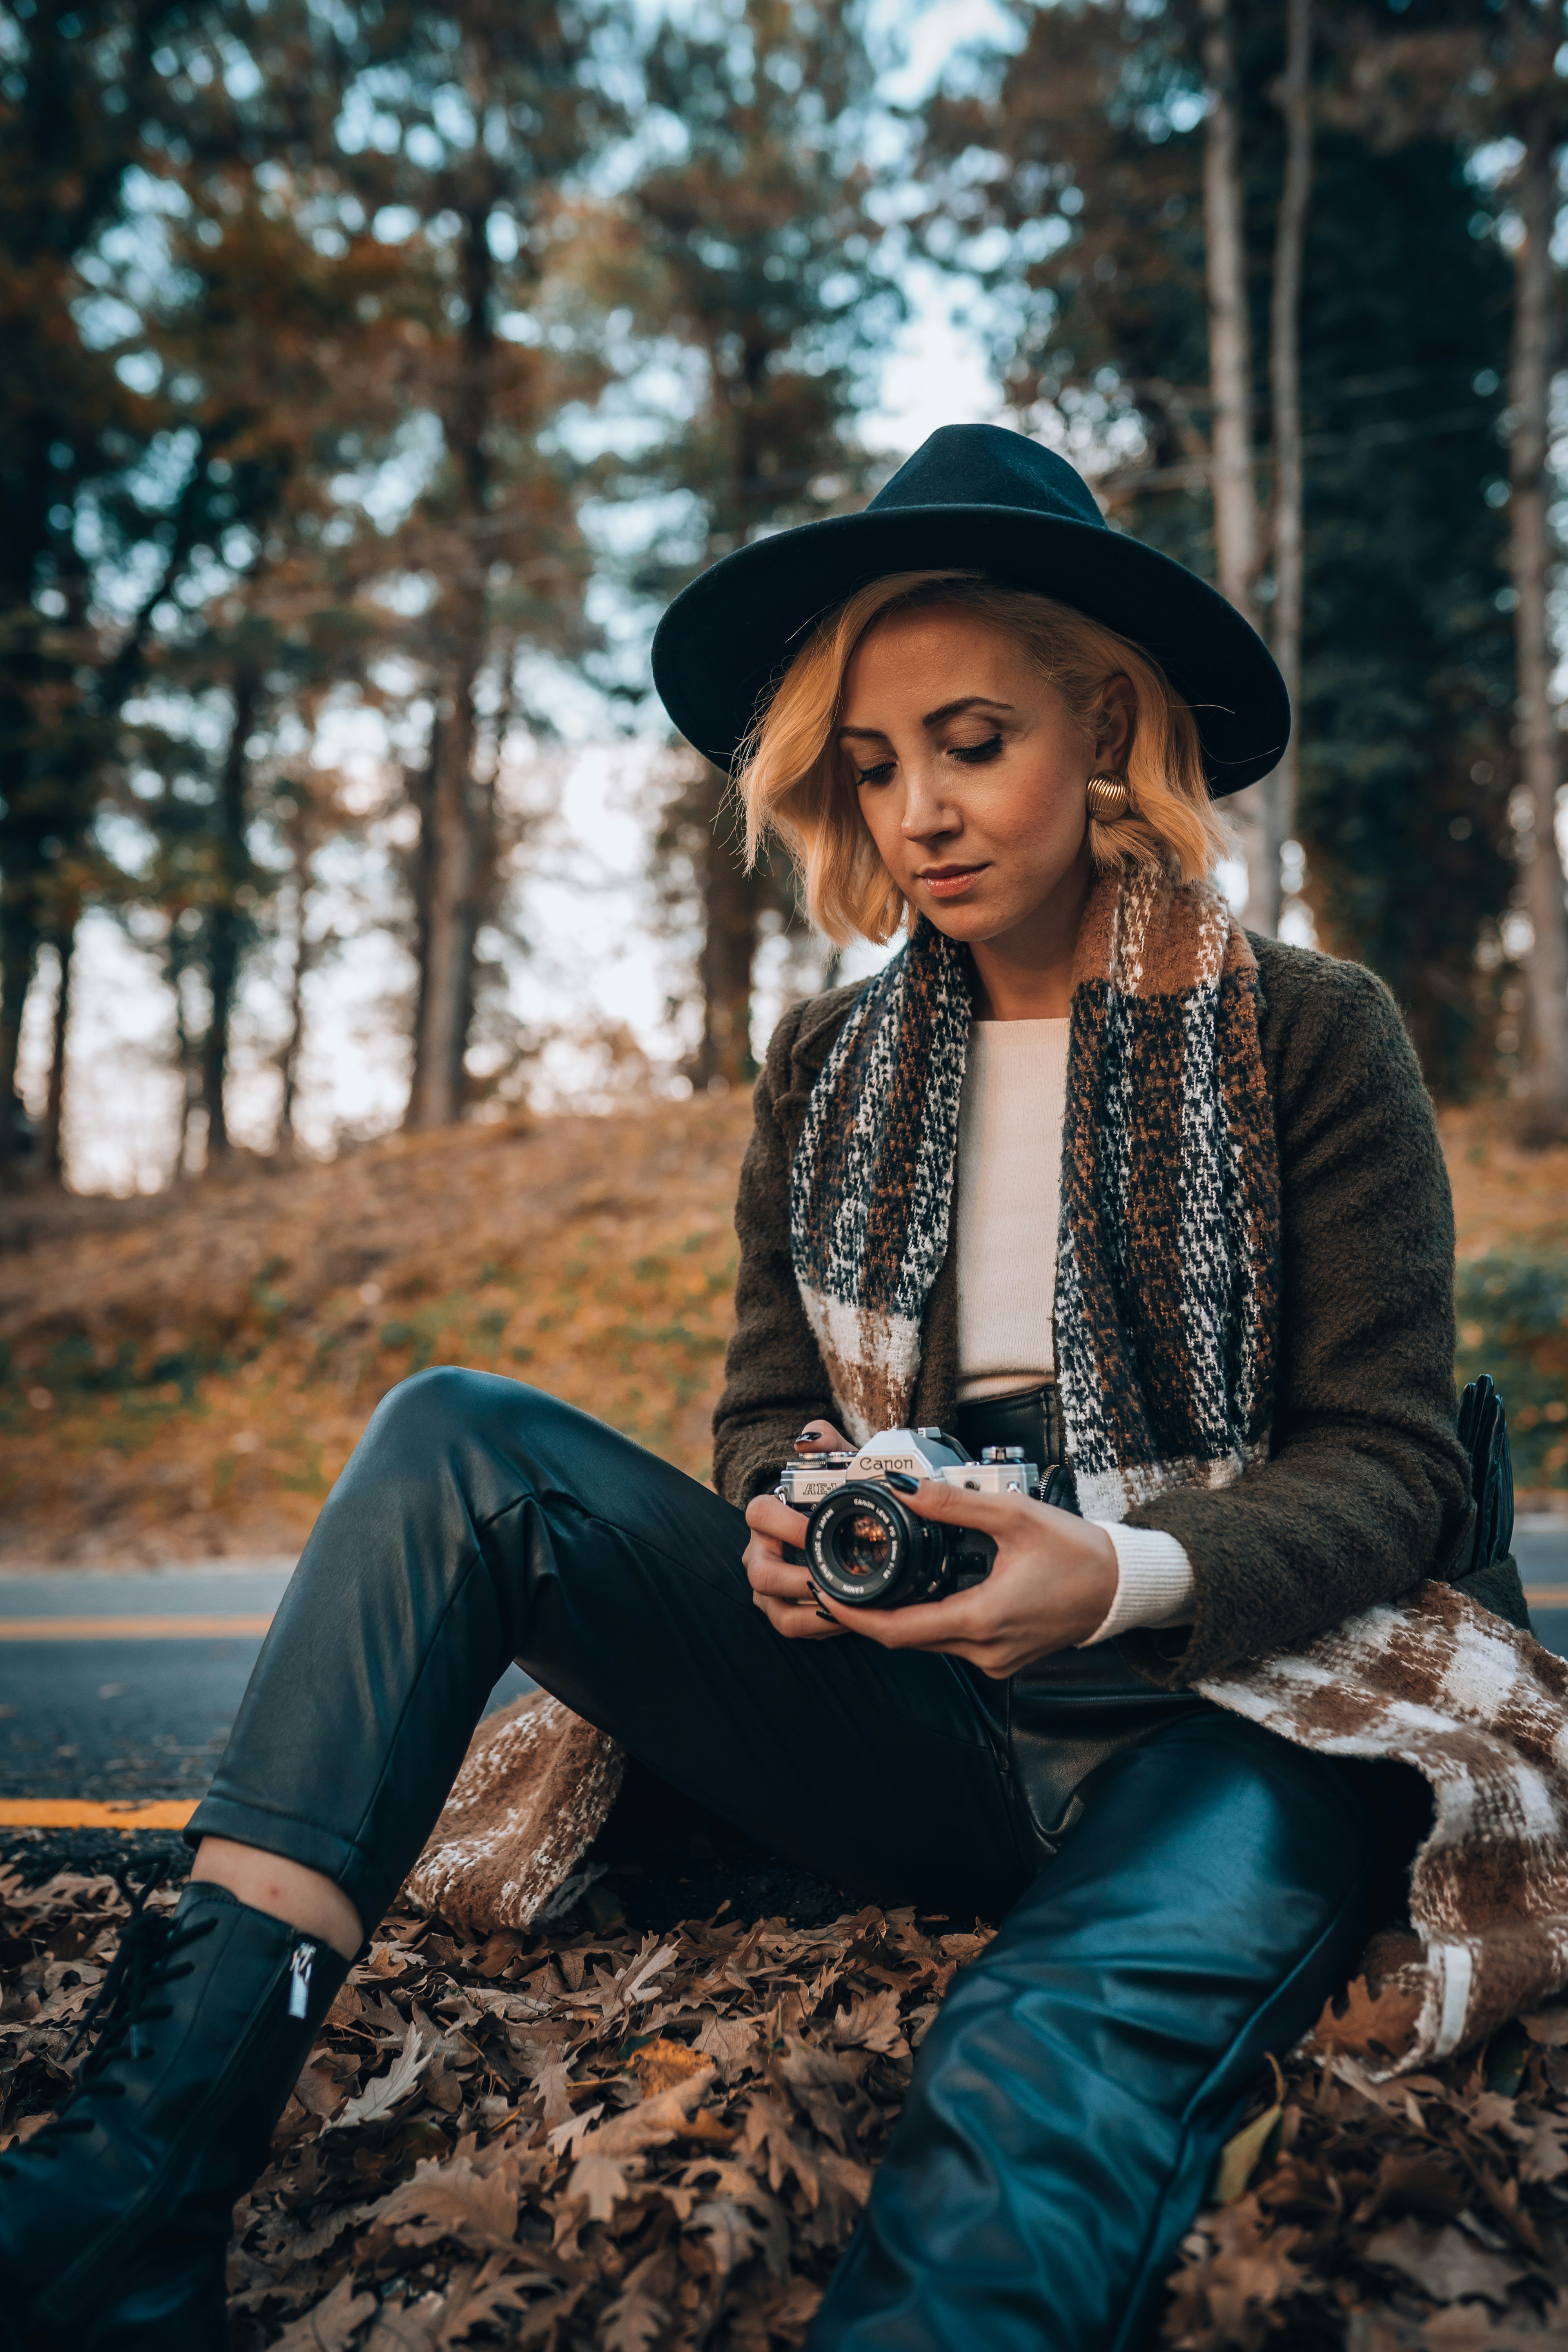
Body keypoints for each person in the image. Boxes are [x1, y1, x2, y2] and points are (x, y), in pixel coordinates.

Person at [0, 426, 1474, 2352]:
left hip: (1240, 1700)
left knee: (1035, 2054)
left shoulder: (1309, 1032)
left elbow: (1393, 1470)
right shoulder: (830, 1065)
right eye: (871, 766)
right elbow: (764, 1410)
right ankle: (126, 2198)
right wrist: (791, 1527)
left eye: (971, 740)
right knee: (457, 1440)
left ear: (1103, 726)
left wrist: (1110, 1575)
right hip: (922, 1698)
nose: (920, 811)